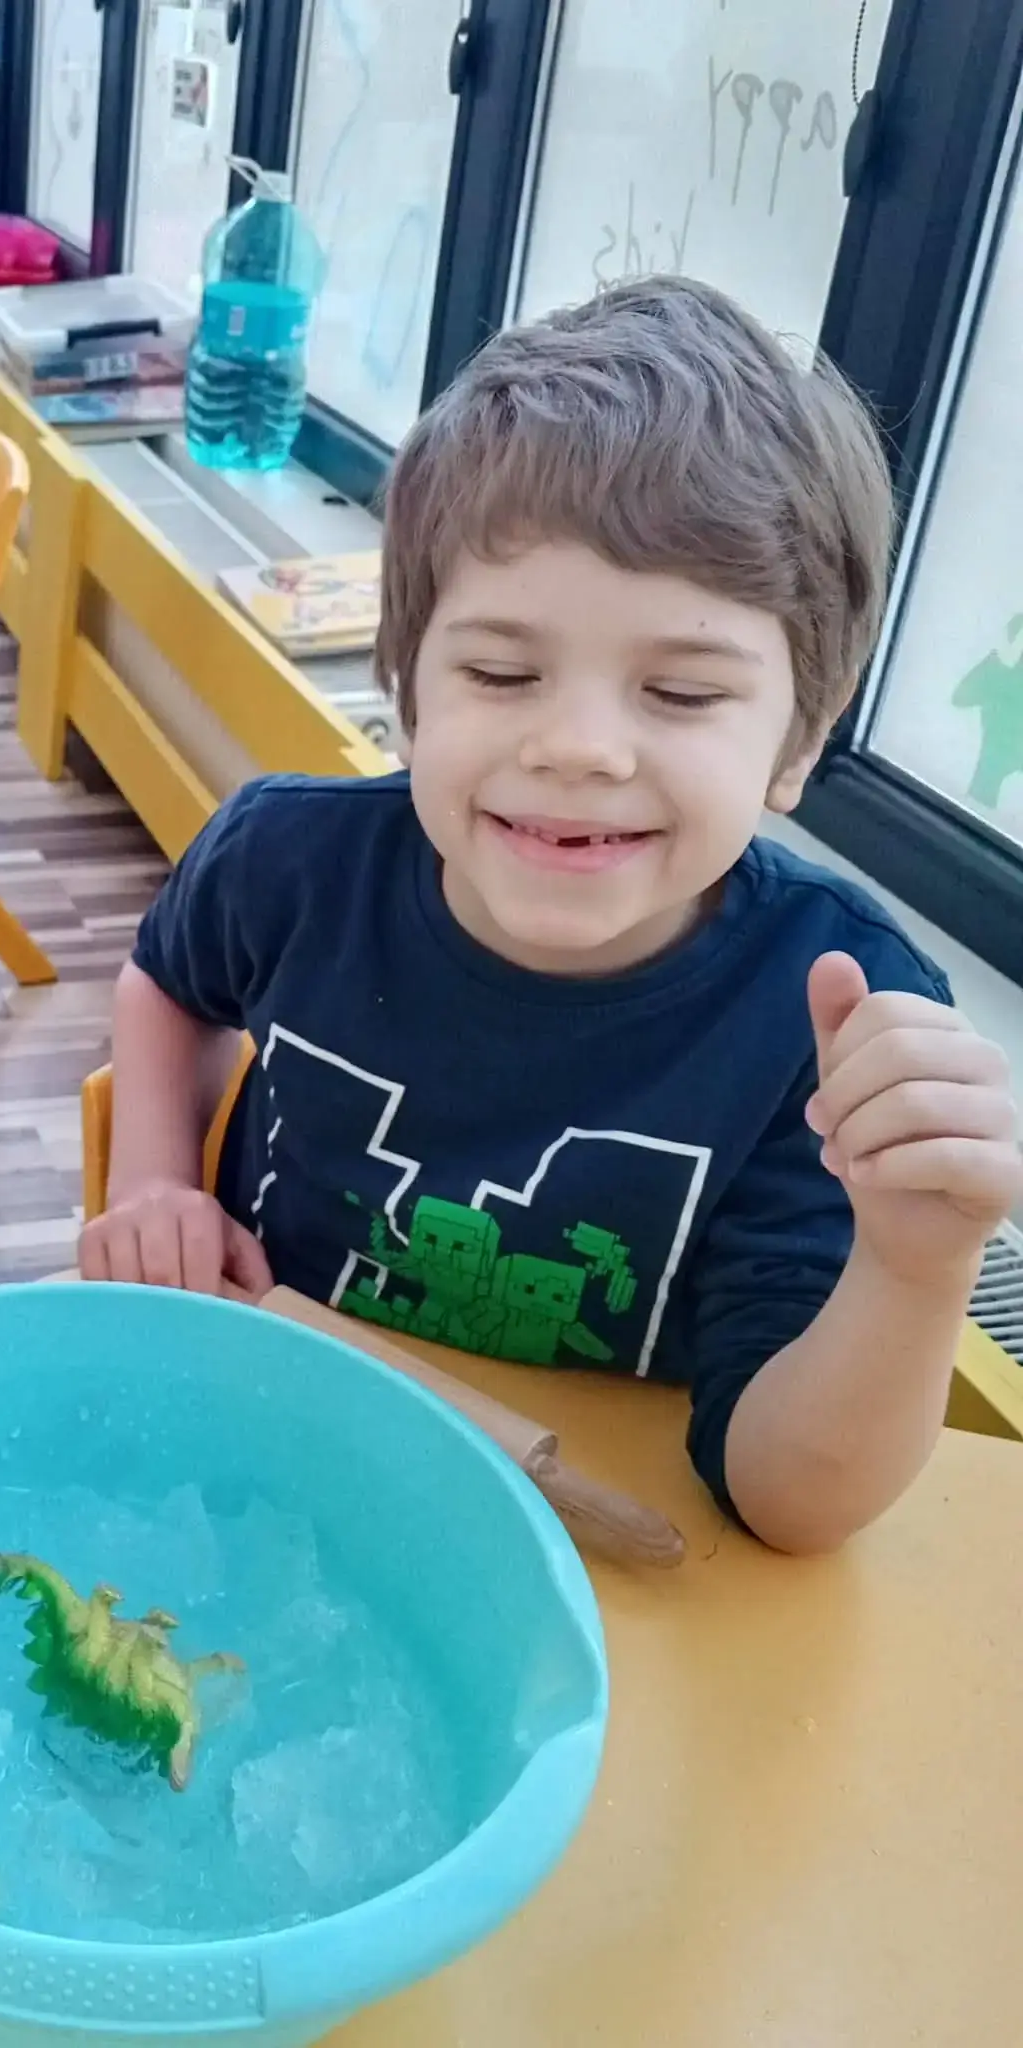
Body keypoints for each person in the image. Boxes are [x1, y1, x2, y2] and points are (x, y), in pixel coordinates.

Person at [79, 277, 1021, 1557]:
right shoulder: (286, 860)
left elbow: (783, 1506)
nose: (577, 746)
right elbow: (168, 980)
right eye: (501, 671)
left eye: (679, 693)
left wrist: (912, 1268)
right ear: (408, 685)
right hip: (265, 1457)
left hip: (583, 1553)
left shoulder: (832, 1008)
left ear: (797, 739)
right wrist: (151, 1175)